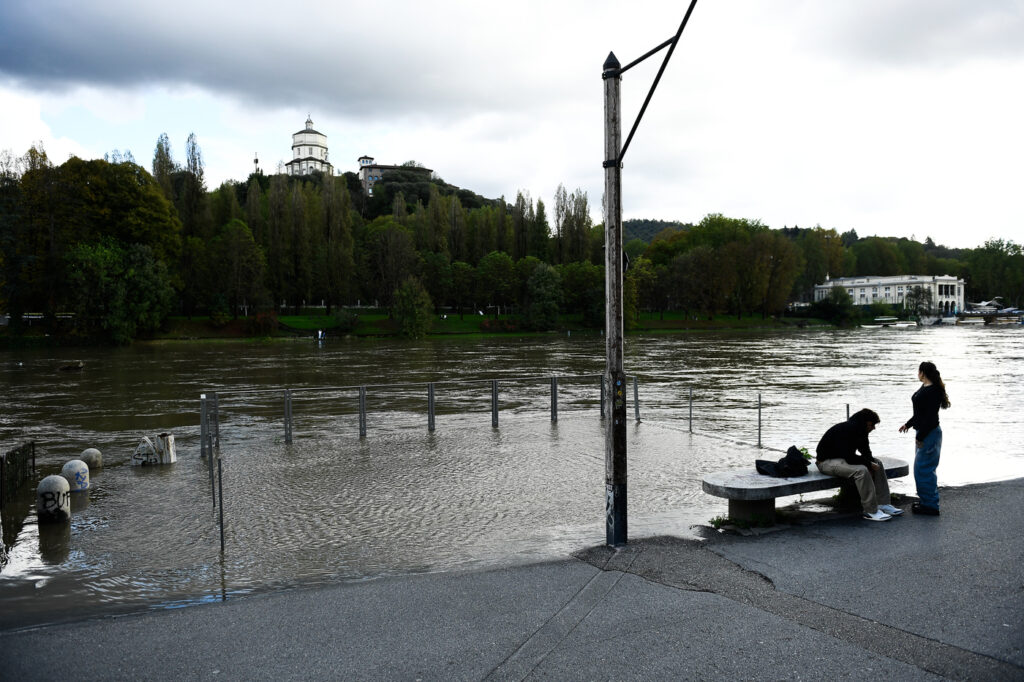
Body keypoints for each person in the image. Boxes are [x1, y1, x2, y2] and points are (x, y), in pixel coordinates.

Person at [816, 408, 903, 521]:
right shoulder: (846, 430)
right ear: (865, 422)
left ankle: (883, 503)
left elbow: (865, 451)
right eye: (872, 425)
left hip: (842, 459)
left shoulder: (862, 431)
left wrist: (871, 462)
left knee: (878, 463)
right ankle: (870, 510)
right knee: (861, 470)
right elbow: (849, 457)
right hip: (826, 462)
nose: (874, 428)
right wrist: (868, 464)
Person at [898, 361, 950, 516]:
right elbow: (920, 413)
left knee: (924, 469)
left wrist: (921, 436)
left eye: (918, 371)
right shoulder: (925, 387)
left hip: (929, 433)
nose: (917, 374)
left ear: (922, 372)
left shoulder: (933, 391)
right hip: (924, 432)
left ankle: (931, 506)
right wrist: (908, 424)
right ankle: (926, 501)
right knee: (922, 469)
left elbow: (930, 417)